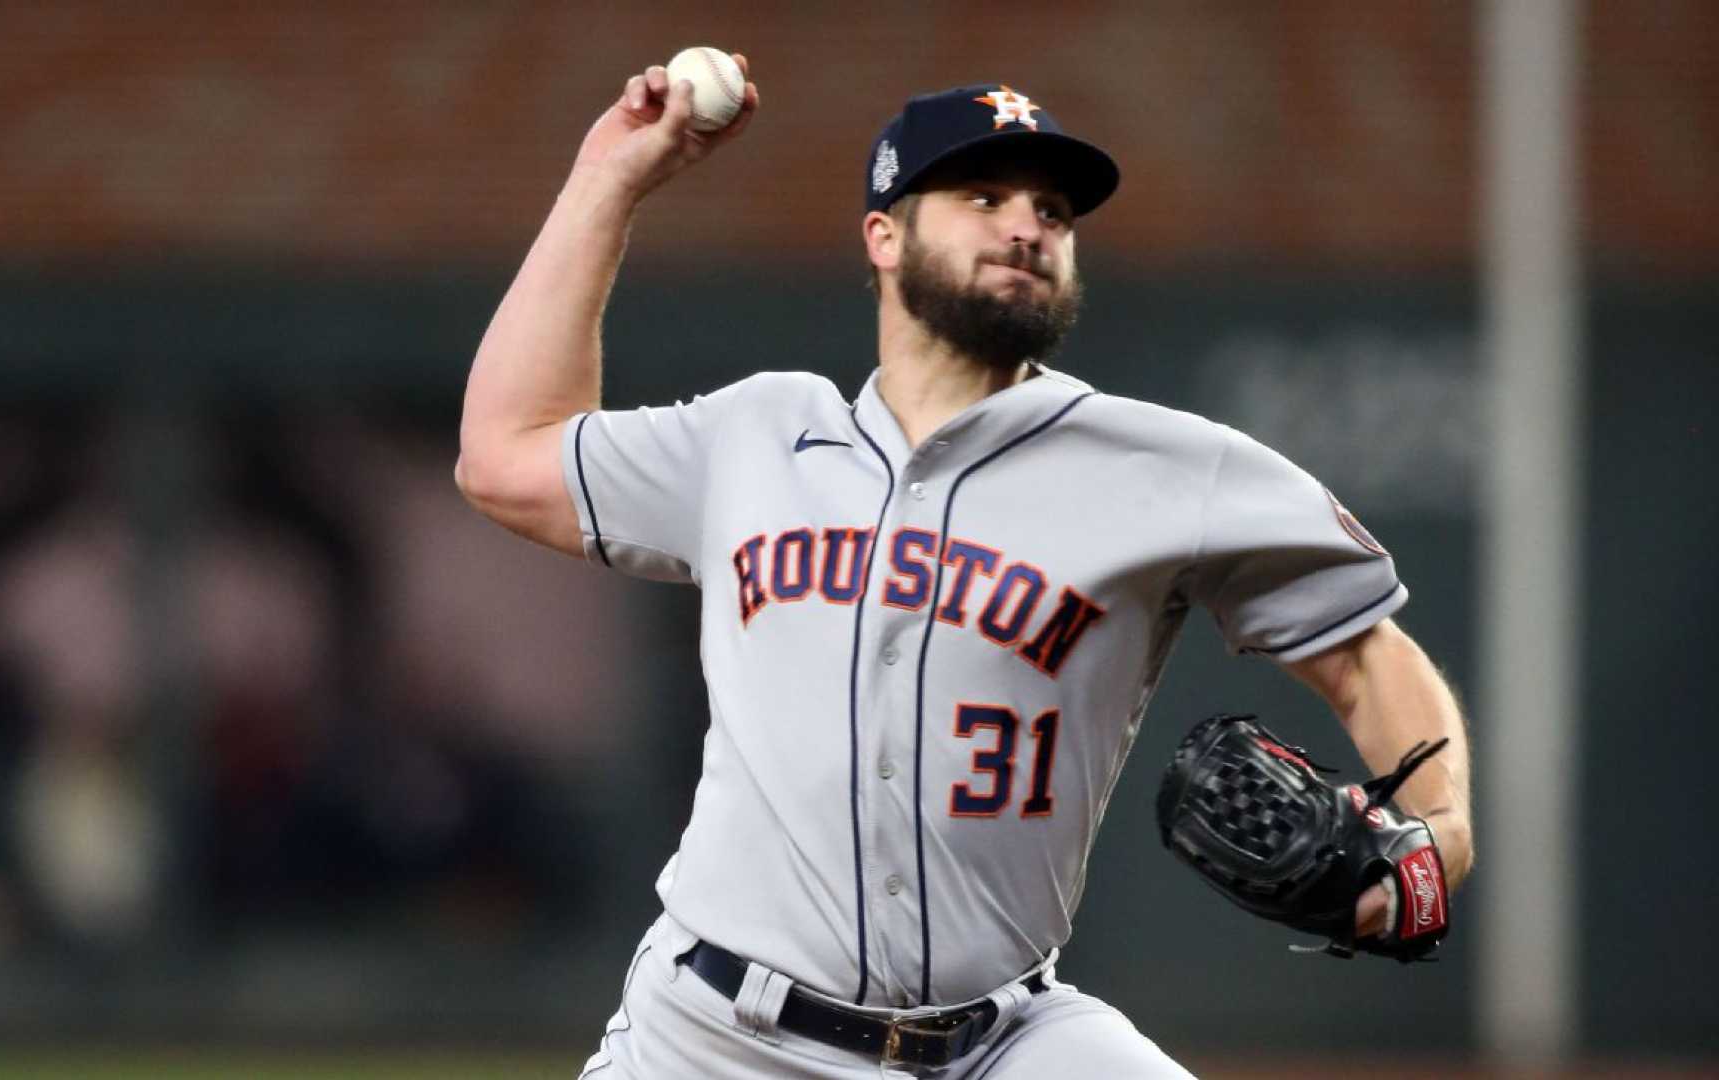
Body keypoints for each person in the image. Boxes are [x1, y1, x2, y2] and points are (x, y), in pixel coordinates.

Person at [456, 56, 1473, 1079]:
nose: (1027, 226)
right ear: (883, 237)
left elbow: (1364, 655)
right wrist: (609, 178)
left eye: (1054, 212)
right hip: (717, 1036)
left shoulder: (1167, 467)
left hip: (1000, 1043)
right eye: (982, 196)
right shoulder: (754, 438)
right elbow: (506, 455)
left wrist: (1439, 835)